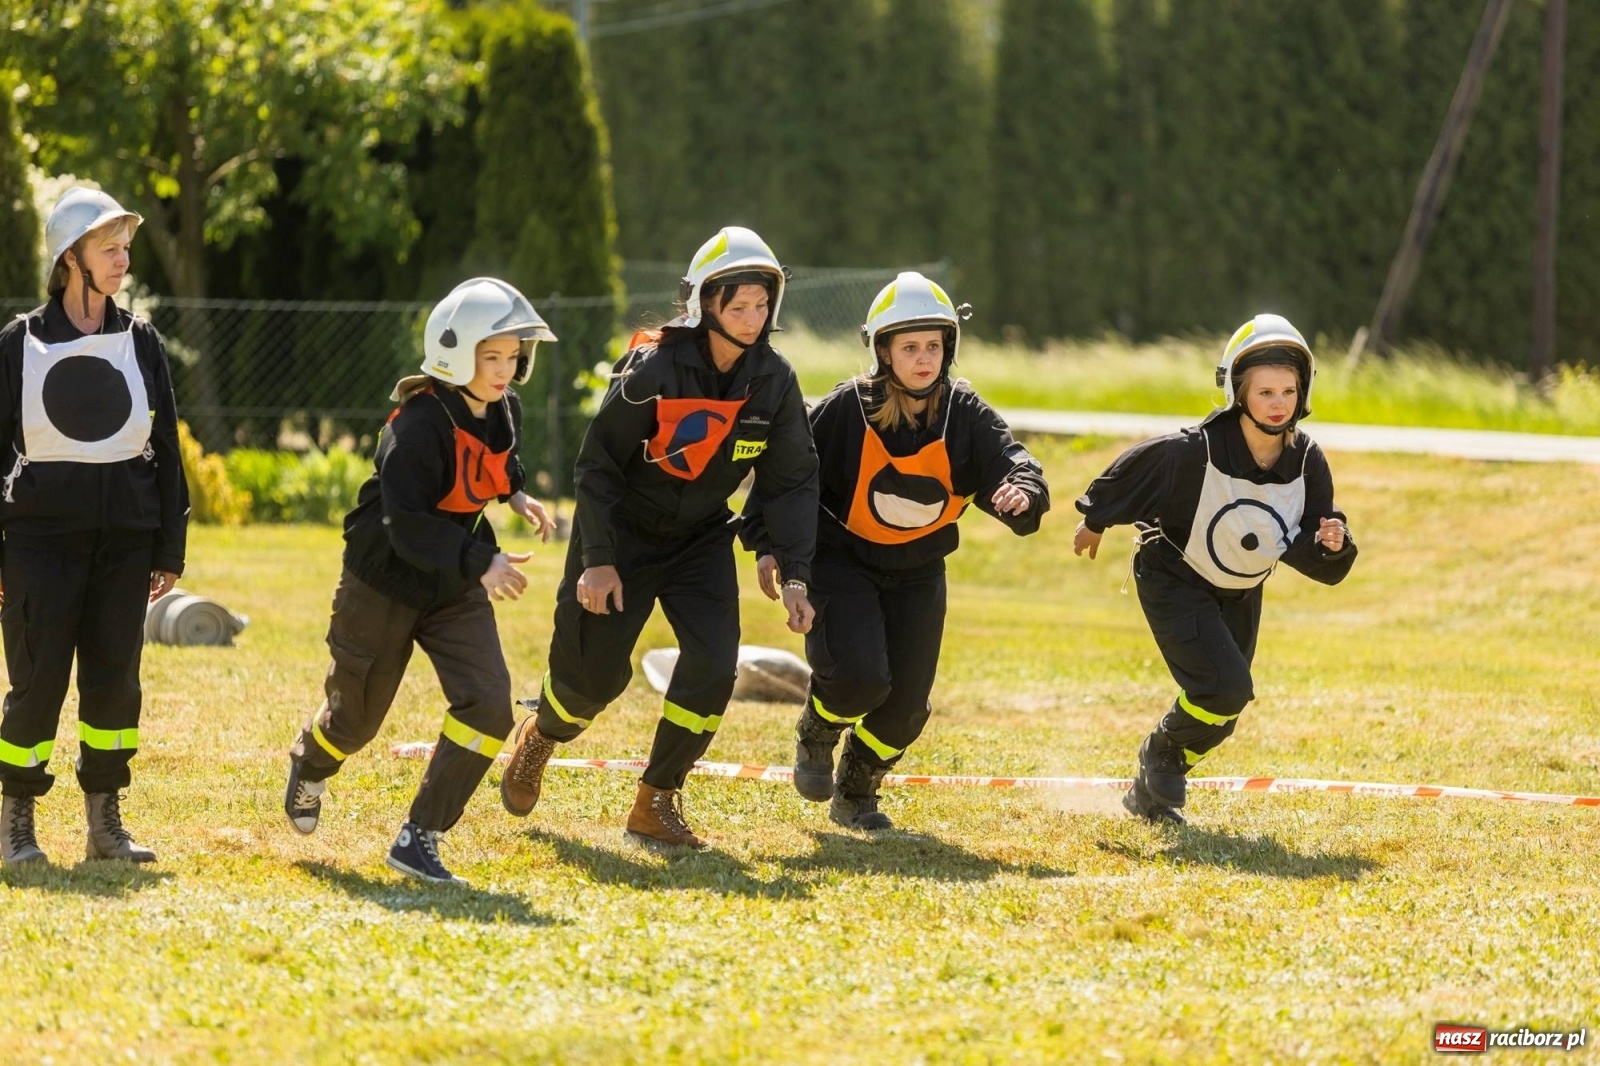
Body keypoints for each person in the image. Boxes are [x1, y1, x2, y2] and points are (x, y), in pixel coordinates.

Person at [498, 226, 818, 850]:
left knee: (713, 663)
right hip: (620, 535)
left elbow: (791, 480)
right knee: (590, 684)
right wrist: (597, 561)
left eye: (761, 306)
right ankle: (541, 732)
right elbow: (597, 467)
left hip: (699, 539)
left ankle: (656, 800)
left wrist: (795, 567)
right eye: (738, 306)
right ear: (705, 305)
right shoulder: (654, 366)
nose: (752, 320)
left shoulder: (775, 380)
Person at [742, 272, 1050, 830]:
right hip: (842, 560)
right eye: (910, 347)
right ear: (882, 351)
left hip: (917, 569)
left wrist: (1022, 491)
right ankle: (817, 729)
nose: (924, 358)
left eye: (934, 345)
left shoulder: (965, 412)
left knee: (906, 707)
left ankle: (857, 786)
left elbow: (1013, 460)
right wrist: (768, 545)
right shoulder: (844, 409)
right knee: (859, 677)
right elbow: (786, 477)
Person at [283, 277, 556, 884]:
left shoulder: (503, 406)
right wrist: (483, 561)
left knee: (488, 704)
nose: (505, 369)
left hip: (452, 580)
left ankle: (420, 835)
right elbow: (406, 527)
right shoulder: (415, 426)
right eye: (491, 357)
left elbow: (498, 457)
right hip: (385, 581)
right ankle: (309, 763)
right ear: (454, 354)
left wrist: (516, 495)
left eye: (513, 356)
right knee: (355, 721)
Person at [1072, 314, 1357, 824]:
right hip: (1173, 577)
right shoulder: (1195, 449)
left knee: (1225, 708)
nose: (1278, 403)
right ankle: (1161, 752)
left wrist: (1333, 544)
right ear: (1236, 392)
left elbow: (1314, 540)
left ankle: (1152, 788)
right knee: (1225, 689)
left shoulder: (1308, 459)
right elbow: (1138, 466)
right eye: (1265, 391)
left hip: (1241, 591)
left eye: (1288, 391)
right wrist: (1096, 518)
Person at [0, 187, 189, 866]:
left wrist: (169, 547)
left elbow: (166, 448)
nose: (123, 259)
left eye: (126, 247)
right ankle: (15, 823)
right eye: (109, 248)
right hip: (37, 548)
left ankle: (105, 825)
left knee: (114, 682)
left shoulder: (142, 342)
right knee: (38, 683)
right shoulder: (18, 345)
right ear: (70, 258)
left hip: (125, 546)